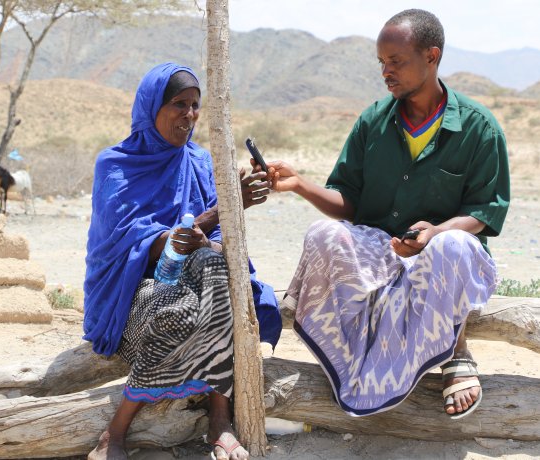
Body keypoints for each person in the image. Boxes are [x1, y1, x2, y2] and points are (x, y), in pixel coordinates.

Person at [262, 9, 509, 419]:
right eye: (381, 63)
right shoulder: (372, 122)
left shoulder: (479, 128)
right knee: (324, 234)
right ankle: (354, 362)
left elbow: (485, 210)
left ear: (432, 56)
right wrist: (300, 183)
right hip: (377, 254)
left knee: (453, 244)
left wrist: (435, 233)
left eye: (396, 62)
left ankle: (456, 354)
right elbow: (349, 203)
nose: (386, 72)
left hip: (441, 260)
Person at [83, 63, 281, 460]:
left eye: (194, 106)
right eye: (178, 104)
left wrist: (225, 223)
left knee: (214, 267)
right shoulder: (116, 164)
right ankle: (117, 430)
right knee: (181, 311)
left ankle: (219, 418)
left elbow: (221, 241)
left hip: (202, 290)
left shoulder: (200, 162)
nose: (189, 116)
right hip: (132, 298)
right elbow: (142, 246)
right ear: (150, 107)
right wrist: (224, 208)